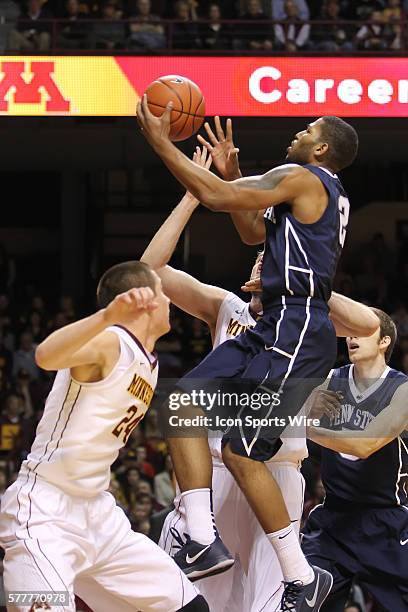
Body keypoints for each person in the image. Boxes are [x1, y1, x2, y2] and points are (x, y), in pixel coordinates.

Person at [137, 100, 361, 610]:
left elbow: (215, 196)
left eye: (308, 130)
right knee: (184, 401)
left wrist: (161, 143)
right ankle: (199, 535)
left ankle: (302, 578)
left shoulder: (305, 176)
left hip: (298, 322)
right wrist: (236, 176)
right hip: (272, 329)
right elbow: (251, 231)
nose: (298, 134)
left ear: (321, 148)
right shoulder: (302, 198)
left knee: (241, 450)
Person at [0, 261, 208, 612]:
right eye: (162, 291)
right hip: (43, 513)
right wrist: (108, 316)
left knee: (189, 606)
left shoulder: (149, 363)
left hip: (98, 515)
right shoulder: (111, 341)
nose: (170, 299)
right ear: (144, 303)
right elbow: (45, 355)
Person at [303, 308, 408, 611]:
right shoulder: (329, 379)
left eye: (361, 331)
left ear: (384, 341)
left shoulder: (401, 390)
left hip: (385, 521)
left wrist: (301, 423)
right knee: (303, 599)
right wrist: (304, 409)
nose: (351, 337)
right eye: (348, 331)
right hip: (334, 521)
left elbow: (365, 444)